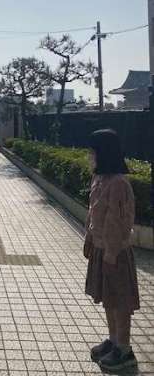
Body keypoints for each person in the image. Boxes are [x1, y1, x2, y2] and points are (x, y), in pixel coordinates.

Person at [84, 129, 140, 371]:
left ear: (104, 153)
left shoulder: (118, 183)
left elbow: (119, 222)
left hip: (115, 253)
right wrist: (89, 238)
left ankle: (124, 350)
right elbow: (94, 213)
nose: (90, 156)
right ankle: (113, 339)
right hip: (101, 248)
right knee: (109, 299)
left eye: (93, 152)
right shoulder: (99, 179)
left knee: (120, 301)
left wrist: (110, 253)